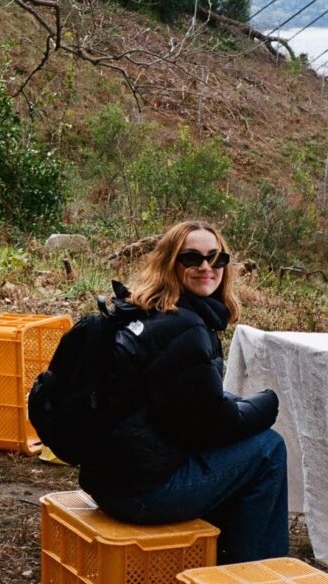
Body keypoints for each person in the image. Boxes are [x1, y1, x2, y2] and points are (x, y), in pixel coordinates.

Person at [79, 219, 288, 564]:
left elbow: (183, 408)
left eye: (216, 258)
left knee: (241, 447)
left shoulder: (147, 313)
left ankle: (222, 558)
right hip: (142, 493)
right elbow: (207, 427)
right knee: (268, 448)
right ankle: (251, 573)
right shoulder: (184, 328)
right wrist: (267, 405)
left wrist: (237, 407)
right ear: (170, 264)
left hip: (110, 481)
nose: (206, 267)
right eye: (191, 259)